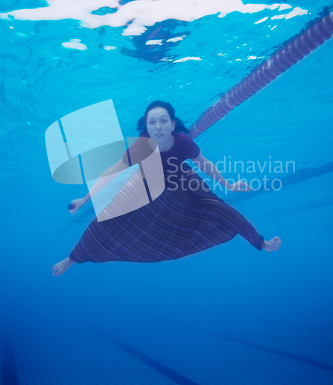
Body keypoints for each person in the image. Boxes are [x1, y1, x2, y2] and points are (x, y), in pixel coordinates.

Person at [53, 100, 281, 276]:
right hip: (148, 182)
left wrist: (227, 184)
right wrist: (84, 200)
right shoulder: (141, 147)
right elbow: (113, 171)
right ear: (147, 126)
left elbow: (205, 164)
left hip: (183, 180)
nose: (158, 127)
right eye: (152, 122)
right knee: (107, 220)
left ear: (173, 124)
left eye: (164, 121)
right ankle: (72, 259)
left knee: (219, 209)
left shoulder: (182, 142)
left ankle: (262, 243)